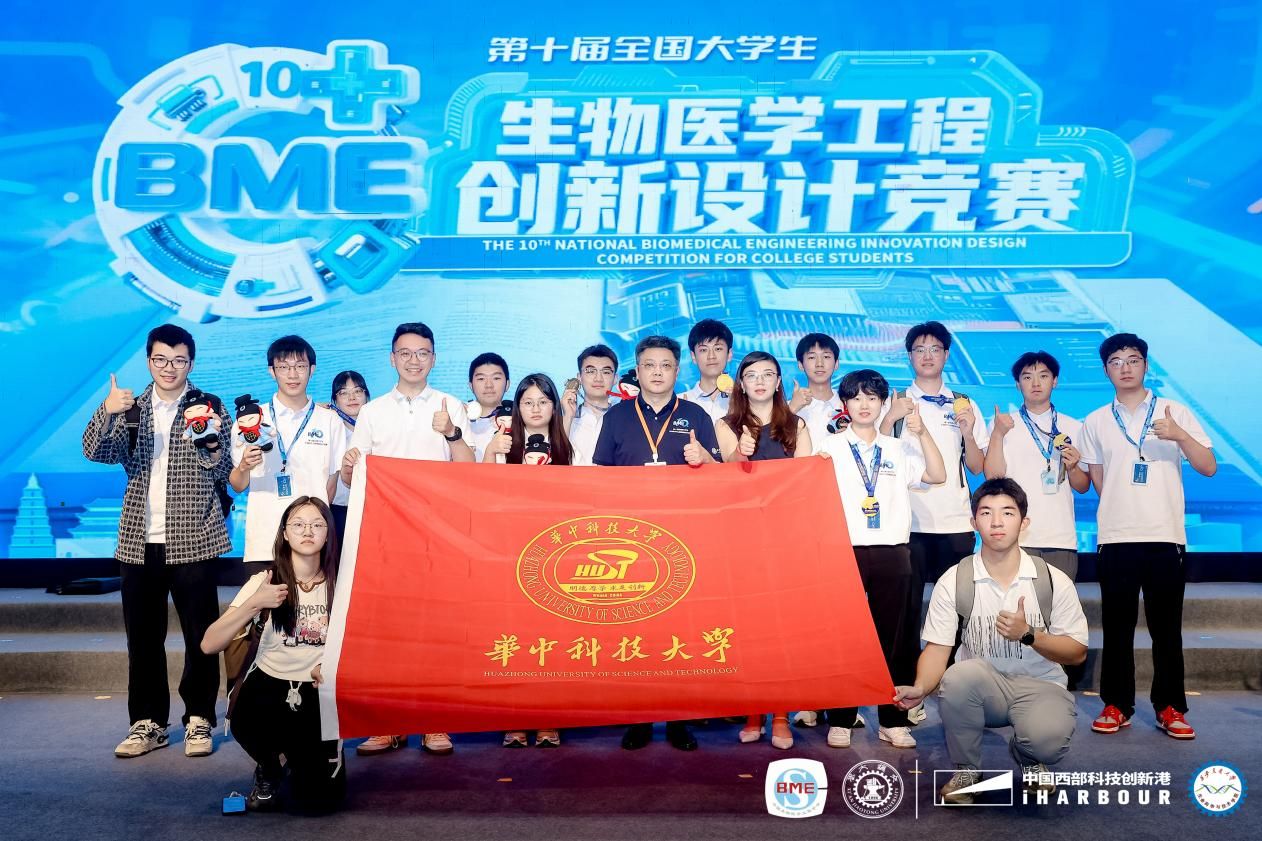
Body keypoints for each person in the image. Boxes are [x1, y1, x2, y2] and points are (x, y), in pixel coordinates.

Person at [82, 323, 232, 759]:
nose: (170, 368)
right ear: (149, 361)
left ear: (191, 363)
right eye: (162, 359)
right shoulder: (131, 408)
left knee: (201, 636)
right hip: (138, 540)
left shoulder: (209, 406)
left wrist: (211, 443)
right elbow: (96, 452)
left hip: (194, 538)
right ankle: (148, 722)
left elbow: (225, 469)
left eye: (179, 360)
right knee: (143, 639)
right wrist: (107, 410)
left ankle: (199, 718)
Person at [894, 478, 1089, 805]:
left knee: (1048, 742)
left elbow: (1077, 653)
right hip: (982, 687)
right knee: (958, 676)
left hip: (1040, 685)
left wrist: (1029, 635)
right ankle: (967, 770)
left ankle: (1030, 758)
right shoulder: (955, 579)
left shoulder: (1052, 580)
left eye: (1008, 513)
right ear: (974, 522)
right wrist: (921, 687)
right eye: (986, 513)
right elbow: (938, 648)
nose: (997, 522)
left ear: (1023, 523)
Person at [339, 321, 474, 757]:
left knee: (437, 630)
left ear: (434, 358)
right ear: (392, 358)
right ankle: (389, 722)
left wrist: (452, 433)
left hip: (439, 535)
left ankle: (435, 721)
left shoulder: (451, 405)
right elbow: (354, 478)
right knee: (389, 630)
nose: (414, 360)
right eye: (405, 353)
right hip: (387, 535)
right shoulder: (373, 411)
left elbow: (469, 470)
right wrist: (348, 468)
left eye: (422, 353)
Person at [1078, 333, 1216, 740]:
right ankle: (1117, 705)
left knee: (1166, 629)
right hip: (1116, 537)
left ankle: (1170, 707)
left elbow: (1208, 466)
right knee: (1117, 628)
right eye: (1116, 361)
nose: (1125, 367)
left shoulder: (1175, 412)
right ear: (1106, 370)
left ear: (1146, 365)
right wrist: (1121, 505)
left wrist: (1180, 435)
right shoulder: (1096, 420)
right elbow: (1099, 479)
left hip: (1165, 535)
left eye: (1133, 359)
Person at [592, 335, 723, 751]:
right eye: (649, 365)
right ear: (638, 369)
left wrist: (706, 460)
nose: (657, 373)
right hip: (631, 542)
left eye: (666, 365)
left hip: (683, 540)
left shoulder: (696, 415)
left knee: (679, 633)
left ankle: (680, 719)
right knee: (636, 630)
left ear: (677, 370)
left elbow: (721, 476)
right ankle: (639, 717)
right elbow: (599, 477)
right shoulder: (617, 416)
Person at [817, 369, 946, 750]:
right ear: (845, 404)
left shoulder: (897, 448)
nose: (864, 405)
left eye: (872, 398)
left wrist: (922, 433)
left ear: (883, 403)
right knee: (845, 637)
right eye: (856, 398)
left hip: (893, 552)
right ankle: (841, 718)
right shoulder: (829, 448)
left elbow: (937, 475)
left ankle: (893, 720)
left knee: (897, 639)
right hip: (845, 553)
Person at [202, 496, 345, 813]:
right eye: (298, 524)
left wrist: (333, 665)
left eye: (317, 524)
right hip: (269, 687)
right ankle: (268, 766)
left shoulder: (342, 584)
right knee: (248, 714)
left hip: (318, 692)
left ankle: (300, 758)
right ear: (285, 534)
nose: (307, 531)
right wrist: (255, 603)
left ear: (328, 534)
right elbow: (209, 644)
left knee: (317, 805)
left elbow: (362, 643)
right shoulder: (264, 581)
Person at [882, 321, 988, 722]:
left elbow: (976, 466)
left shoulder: (963, 403)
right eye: (919, 349)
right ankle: (908, 690)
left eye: (935, 349)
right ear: (909, 356)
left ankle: (955, 685)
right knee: (906, 614)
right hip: (906, 525)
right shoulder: (896, 400)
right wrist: (889, 418)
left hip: (956, 523)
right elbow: (876, 452)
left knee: (959, 611)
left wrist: (969, 433)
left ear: (946, 355)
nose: (927, 356)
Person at [714, 351, 813, 750]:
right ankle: (753, 712)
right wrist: (742, 452)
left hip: (785, 540)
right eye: (751, 375)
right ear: (740, 382)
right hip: (743, 541)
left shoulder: (796, 425)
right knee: (749, 632)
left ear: (778, 382)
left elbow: (804, 482)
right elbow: (727, 476)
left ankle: (782, 715)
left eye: (767, 374)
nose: (759, 381)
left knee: (783, 631)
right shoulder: (725, 425)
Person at [485, 374, 571, 747]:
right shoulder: (504, 444)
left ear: (554, 406)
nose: (535, 409)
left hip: (556, 557)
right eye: (527, 402)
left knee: (551, 639)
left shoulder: (568, 446)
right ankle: (514, 717)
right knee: (514, 638)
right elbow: (480, 494)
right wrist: (491, 453)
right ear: (517, 407)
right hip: (510, 554)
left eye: (543, 401)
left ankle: (549, 717)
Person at [229, 336, 347, 568]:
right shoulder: (250, 420)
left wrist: (315, 525)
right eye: (283, 367)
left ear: (312, 370)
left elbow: (331, 484)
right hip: (264, 541)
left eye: (300, 366)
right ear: (272, 371)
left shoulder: (330, 420)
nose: (293, 375)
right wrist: (243, 466)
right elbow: (238, 485)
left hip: (313, 545)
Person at [984, 351, 1090, 579]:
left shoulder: (1074, 426)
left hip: (1060, 537)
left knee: (1058, 601)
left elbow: (1082, 486)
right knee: (1016, 601)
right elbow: (993, 477)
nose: (1035, 383)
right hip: (1016, 536)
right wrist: (998, 434)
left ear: (1055, 381)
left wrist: (1073, 467)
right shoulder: (1002, 423)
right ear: (1017, 384)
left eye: (1043, 376)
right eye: (1027, 377)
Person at [325, 370, 369, 541]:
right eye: (343, 393)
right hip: (337, 510)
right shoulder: (327, 430)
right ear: (334, 400)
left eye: (358, 391)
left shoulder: (379, 430)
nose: (352, 398)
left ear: (366, 396)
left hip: (370, 509)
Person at [562, 344, 618, 466]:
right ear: (579, 377)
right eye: (591, 371)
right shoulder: (565, 420)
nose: (598, 378)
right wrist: (567, 417)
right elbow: (553, 462)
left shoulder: (624, 419)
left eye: (606, 372)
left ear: (615, 379)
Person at [788, 333, 843, 452]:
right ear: (800, 365)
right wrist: (792, 409)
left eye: (826, 357)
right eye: (812, 357)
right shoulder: (787, 408)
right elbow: (770, 447)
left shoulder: (850, 405)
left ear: (836, 363)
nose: (819, 364)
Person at [680, 318, 734, 421]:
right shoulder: (679, 402)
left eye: (718, 349)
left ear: (729, 354)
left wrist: (739, 405)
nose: (711, 356)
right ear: (693, 356)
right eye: (703, 350)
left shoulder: (746, 401)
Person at [466, 352, 511, 463]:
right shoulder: (459, 418)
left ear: (507, 384)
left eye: (496, 378)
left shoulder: (520, 418)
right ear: (471, 385)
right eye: (481, 379)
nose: (489, 385)